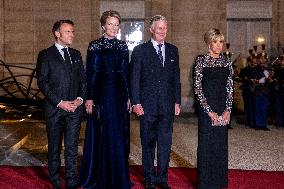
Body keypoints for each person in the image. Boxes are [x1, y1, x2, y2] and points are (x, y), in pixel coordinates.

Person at [79, 10, 131, 189]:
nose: (114, 28)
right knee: (101, 133)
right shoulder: (94, 46)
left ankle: (118, 177)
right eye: (110, 24)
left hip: (118, 95)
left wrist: (128, 96)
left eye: (116, 25)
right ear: (103, 25)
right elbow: (91, 73)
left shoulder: (123, 46)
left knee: (118, 134)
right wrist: (90, 98)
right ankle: (98, 176)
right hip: (100, 94)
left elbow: (126, 73)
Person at [130, 15, 181, 189]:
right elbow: (134, 78)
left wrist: (177, 101)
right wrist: (135, 102)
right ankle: (149, 178)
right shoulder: (140, 51)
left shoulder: (173, 50)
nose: (162, 31)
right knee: (148, 144)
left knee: (165, 145)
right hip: (147, 106)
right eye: (159, 28)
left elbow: (176, 79)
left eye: (164, 28)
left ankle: (162, 178)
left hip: (167, 106)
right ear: (151, 30)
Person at [36, 20, 86, 189]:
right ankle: (56, 180)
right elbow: (43, 83)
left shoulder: (76, 54)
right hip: (55, 110)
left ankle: (71, 182)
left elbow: (82, 81)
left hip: (74, 110)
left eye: (72, 31)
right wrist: (60, 102)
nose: (72, 34)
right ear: (57, 33)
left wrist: (80, 99)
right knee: (55, 147)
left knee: (72, 148)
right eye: (68, 32)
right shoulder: (45, 55)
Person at [193, 28, 233, 189]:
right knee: (206, 145)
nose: (218, 45)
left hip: (223, 108)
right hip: (206, 110)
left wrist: (228, 110)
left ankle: (219, 182)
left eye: (221, 42)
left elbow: (230, 87)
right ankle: (205, 183)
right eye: (215, 42)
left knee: (220, 145)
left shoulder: (226, 61)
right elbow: (198, 88)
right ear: (209, 43)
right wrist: (208, 111)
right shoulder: (201, 60)